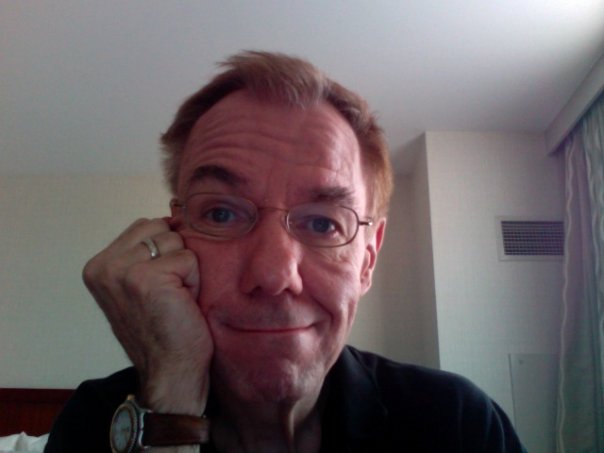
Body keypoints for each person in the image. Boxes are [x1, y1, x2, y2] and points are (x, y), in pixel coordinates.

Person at [45, 51, 526, 453]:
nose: (274, 275)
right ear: (173, 236)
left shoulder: (457, 423)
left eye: (322, 223)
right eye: (221, 214)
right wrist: (170, 407)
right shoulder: (98, 422)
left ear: (367, 260)